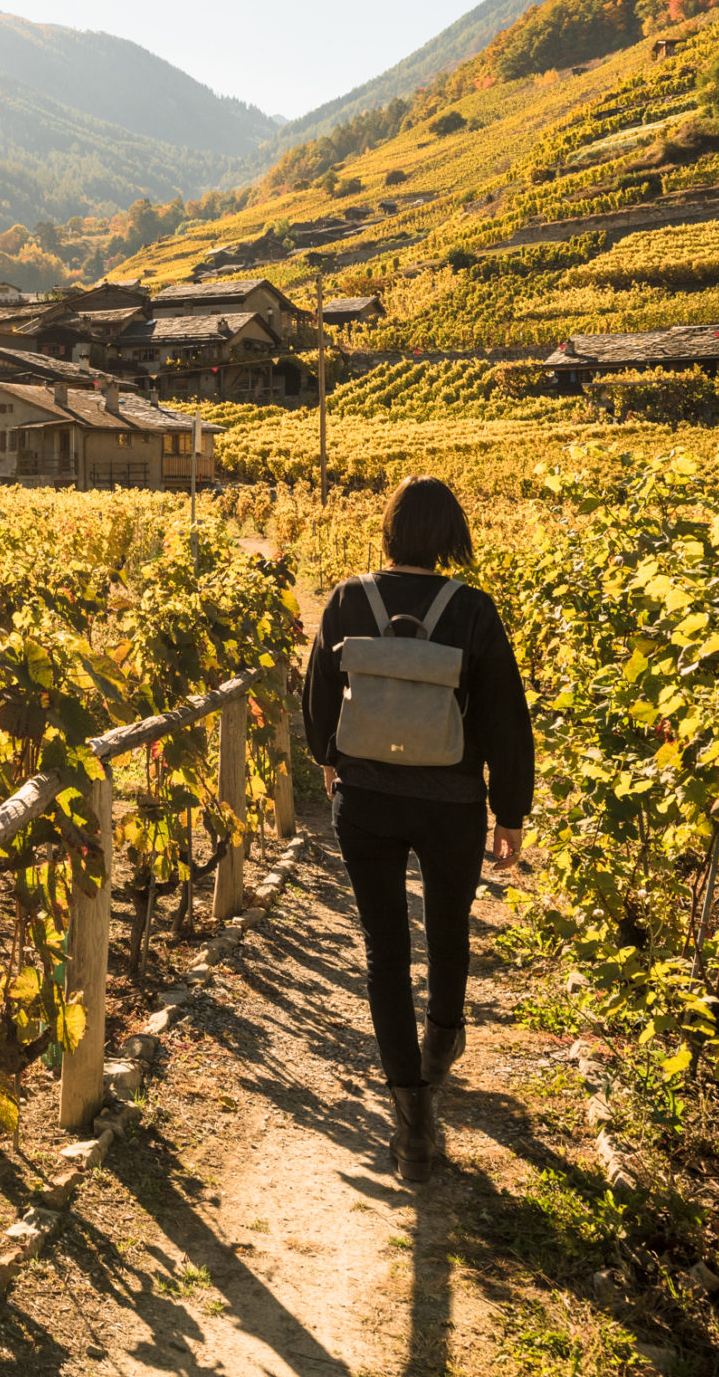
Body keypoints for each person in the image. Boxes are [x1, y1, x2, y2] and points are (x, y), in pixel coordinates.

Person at [302, 475, 533, 1184]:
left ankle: (412, 1130)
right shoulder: (473, 611)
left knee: (384, 950)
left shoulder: (348, 600)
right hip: (451, 801)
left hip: (367, 797)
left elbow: (315, 693)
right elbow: (504, 717)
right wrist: (510, 813)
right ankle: (441, 1048)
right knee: (449, 928)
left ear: (391, 529)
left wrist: (327, 760)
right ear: (449, 536)